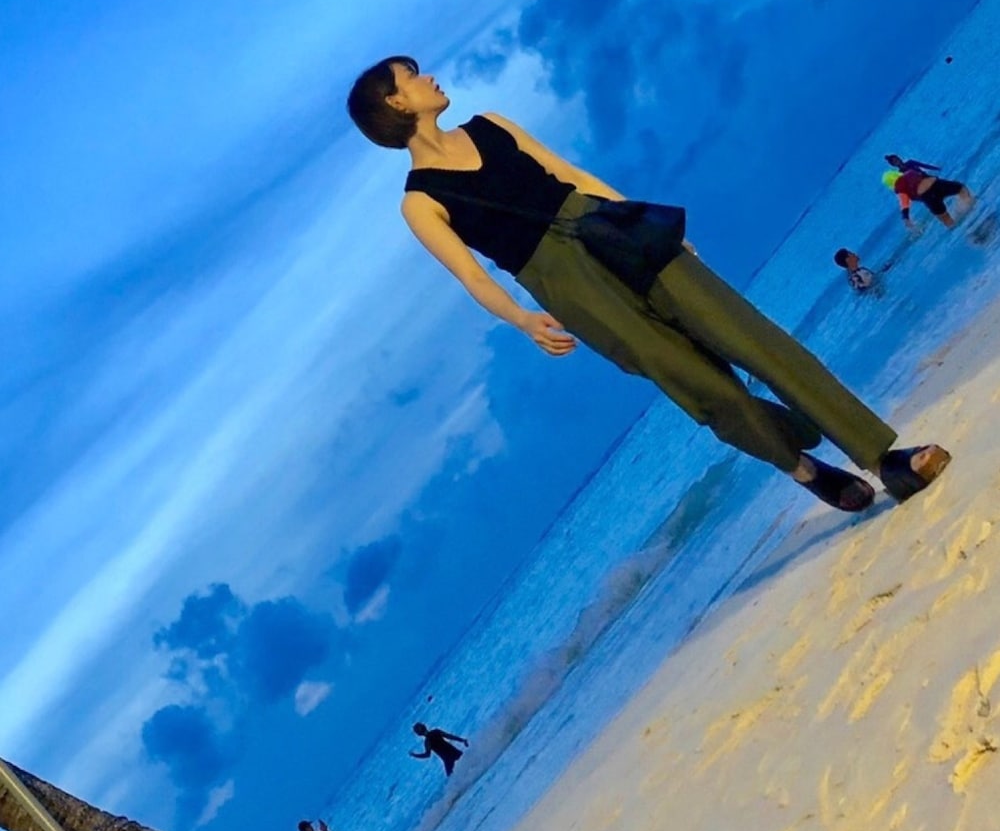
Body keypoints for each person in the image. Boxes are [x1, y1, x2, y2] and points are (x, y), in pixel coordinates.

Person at [347, 57, 951, 511]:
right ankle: (803, 469)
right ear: (395, 103)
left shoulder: (491, 125)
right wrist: (523, 319)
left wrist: (646, 224)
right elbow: (471, 276)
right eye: (412, 77)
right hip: (567, 287)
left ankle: (882, 457)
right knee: (707, 391)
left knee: (759, 343)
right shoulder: (420, 201)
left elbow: (570, 173)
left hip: (610, 232)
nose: (430, 78)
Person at [882, 166, 974, 231]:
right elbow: (927, 176)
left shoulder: (899, 188)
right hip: (937, 184)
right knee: (961, 189)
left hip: (928, 197)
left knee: (946, 220)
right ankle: (970, 207)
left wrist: (906, 218)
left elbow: (904, 203)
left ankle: (968, 235)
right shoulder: (910, 172)